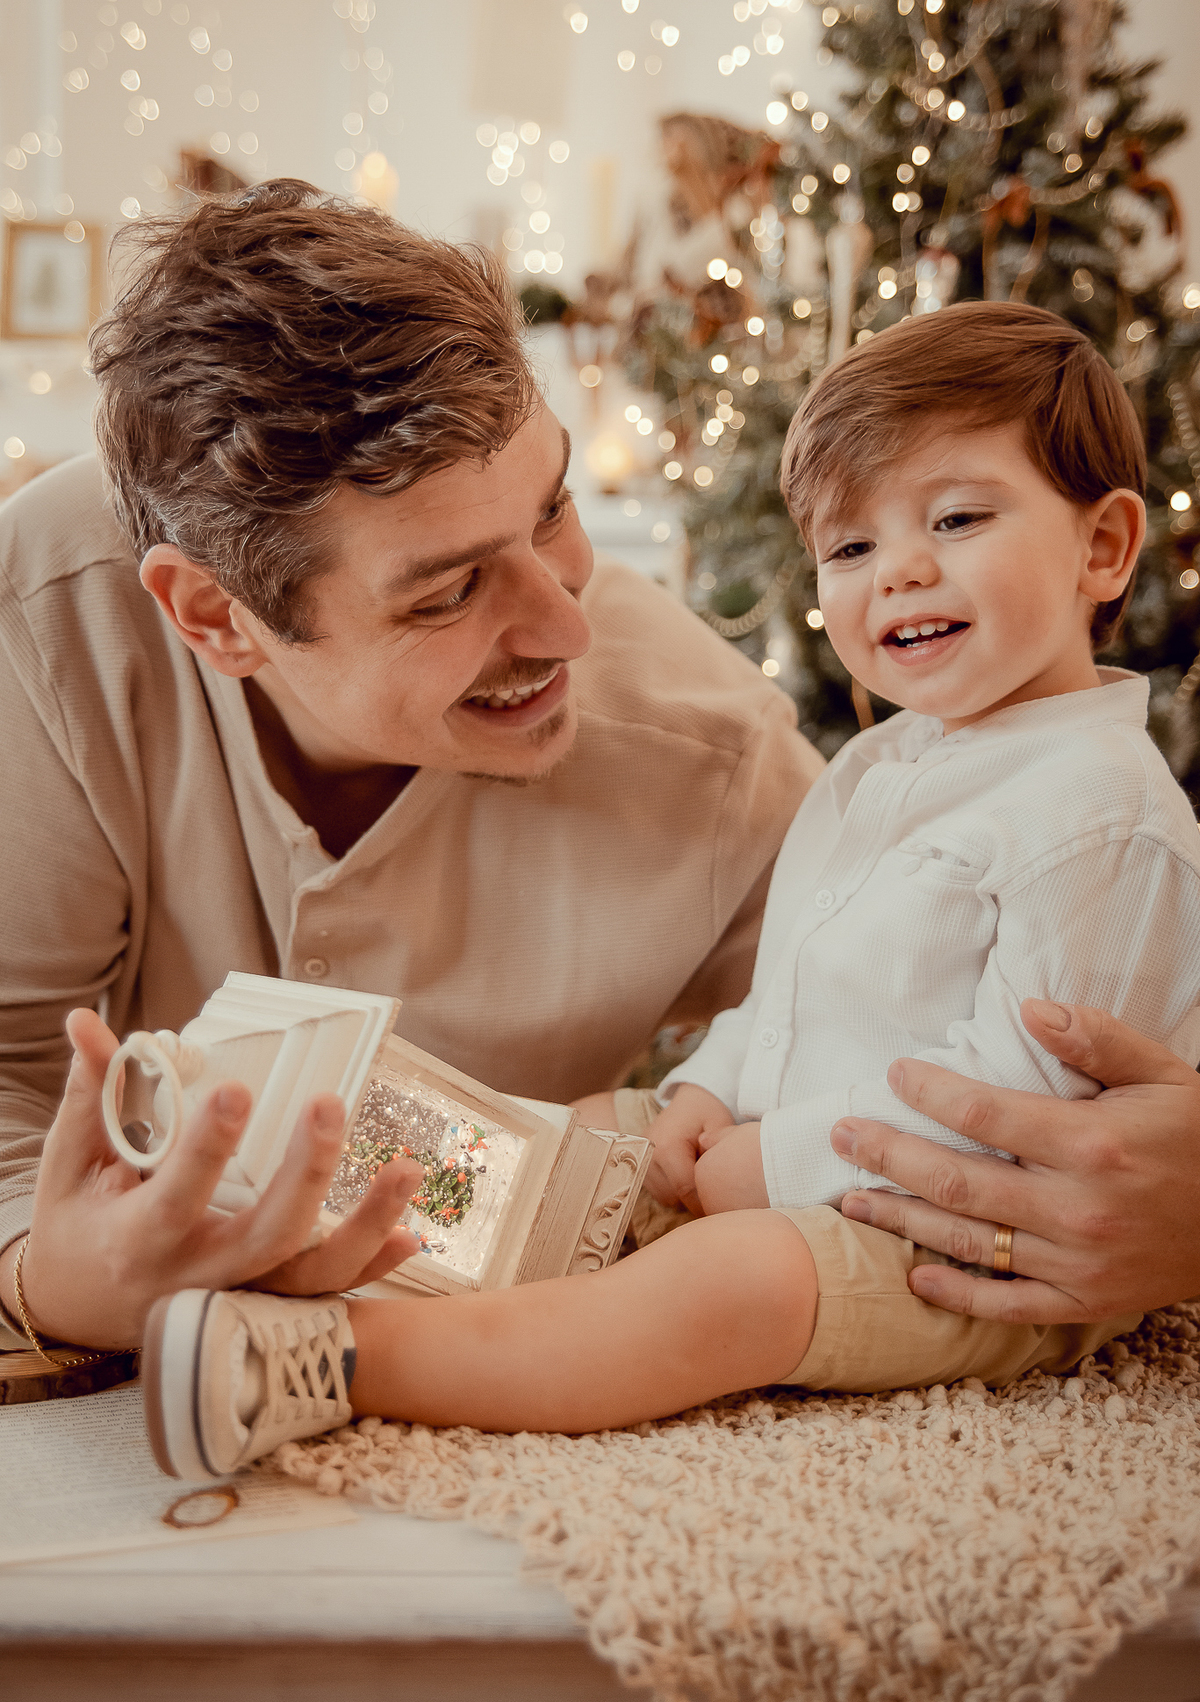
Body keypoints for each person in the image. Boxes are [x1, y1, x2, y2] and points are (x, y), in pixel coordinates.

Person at [138, 300, 1200, 1479]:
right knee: (587, 1128)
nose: (899, 570)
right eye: (851, 547)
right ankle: (308, 1220)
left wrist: (776, 1163)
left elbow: (1024, 1113)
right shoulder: (882, 767)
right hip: (801, 1145)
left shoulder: (1102, 813)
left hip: (972, 1241)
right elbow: (792, 989)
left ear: (1104, 548)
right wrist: (706, 1090)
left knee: (727, 1283)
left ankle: (332, 1357)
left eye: (956, 519)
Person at [0, 181, 823, 1356]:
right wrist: (36, 1274)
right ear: (215, 616)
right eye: (448, 592)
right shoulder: (47, 615)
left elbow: (924, 1008)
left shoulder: (713, 756)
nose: (567, 627)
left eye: (552, 508)